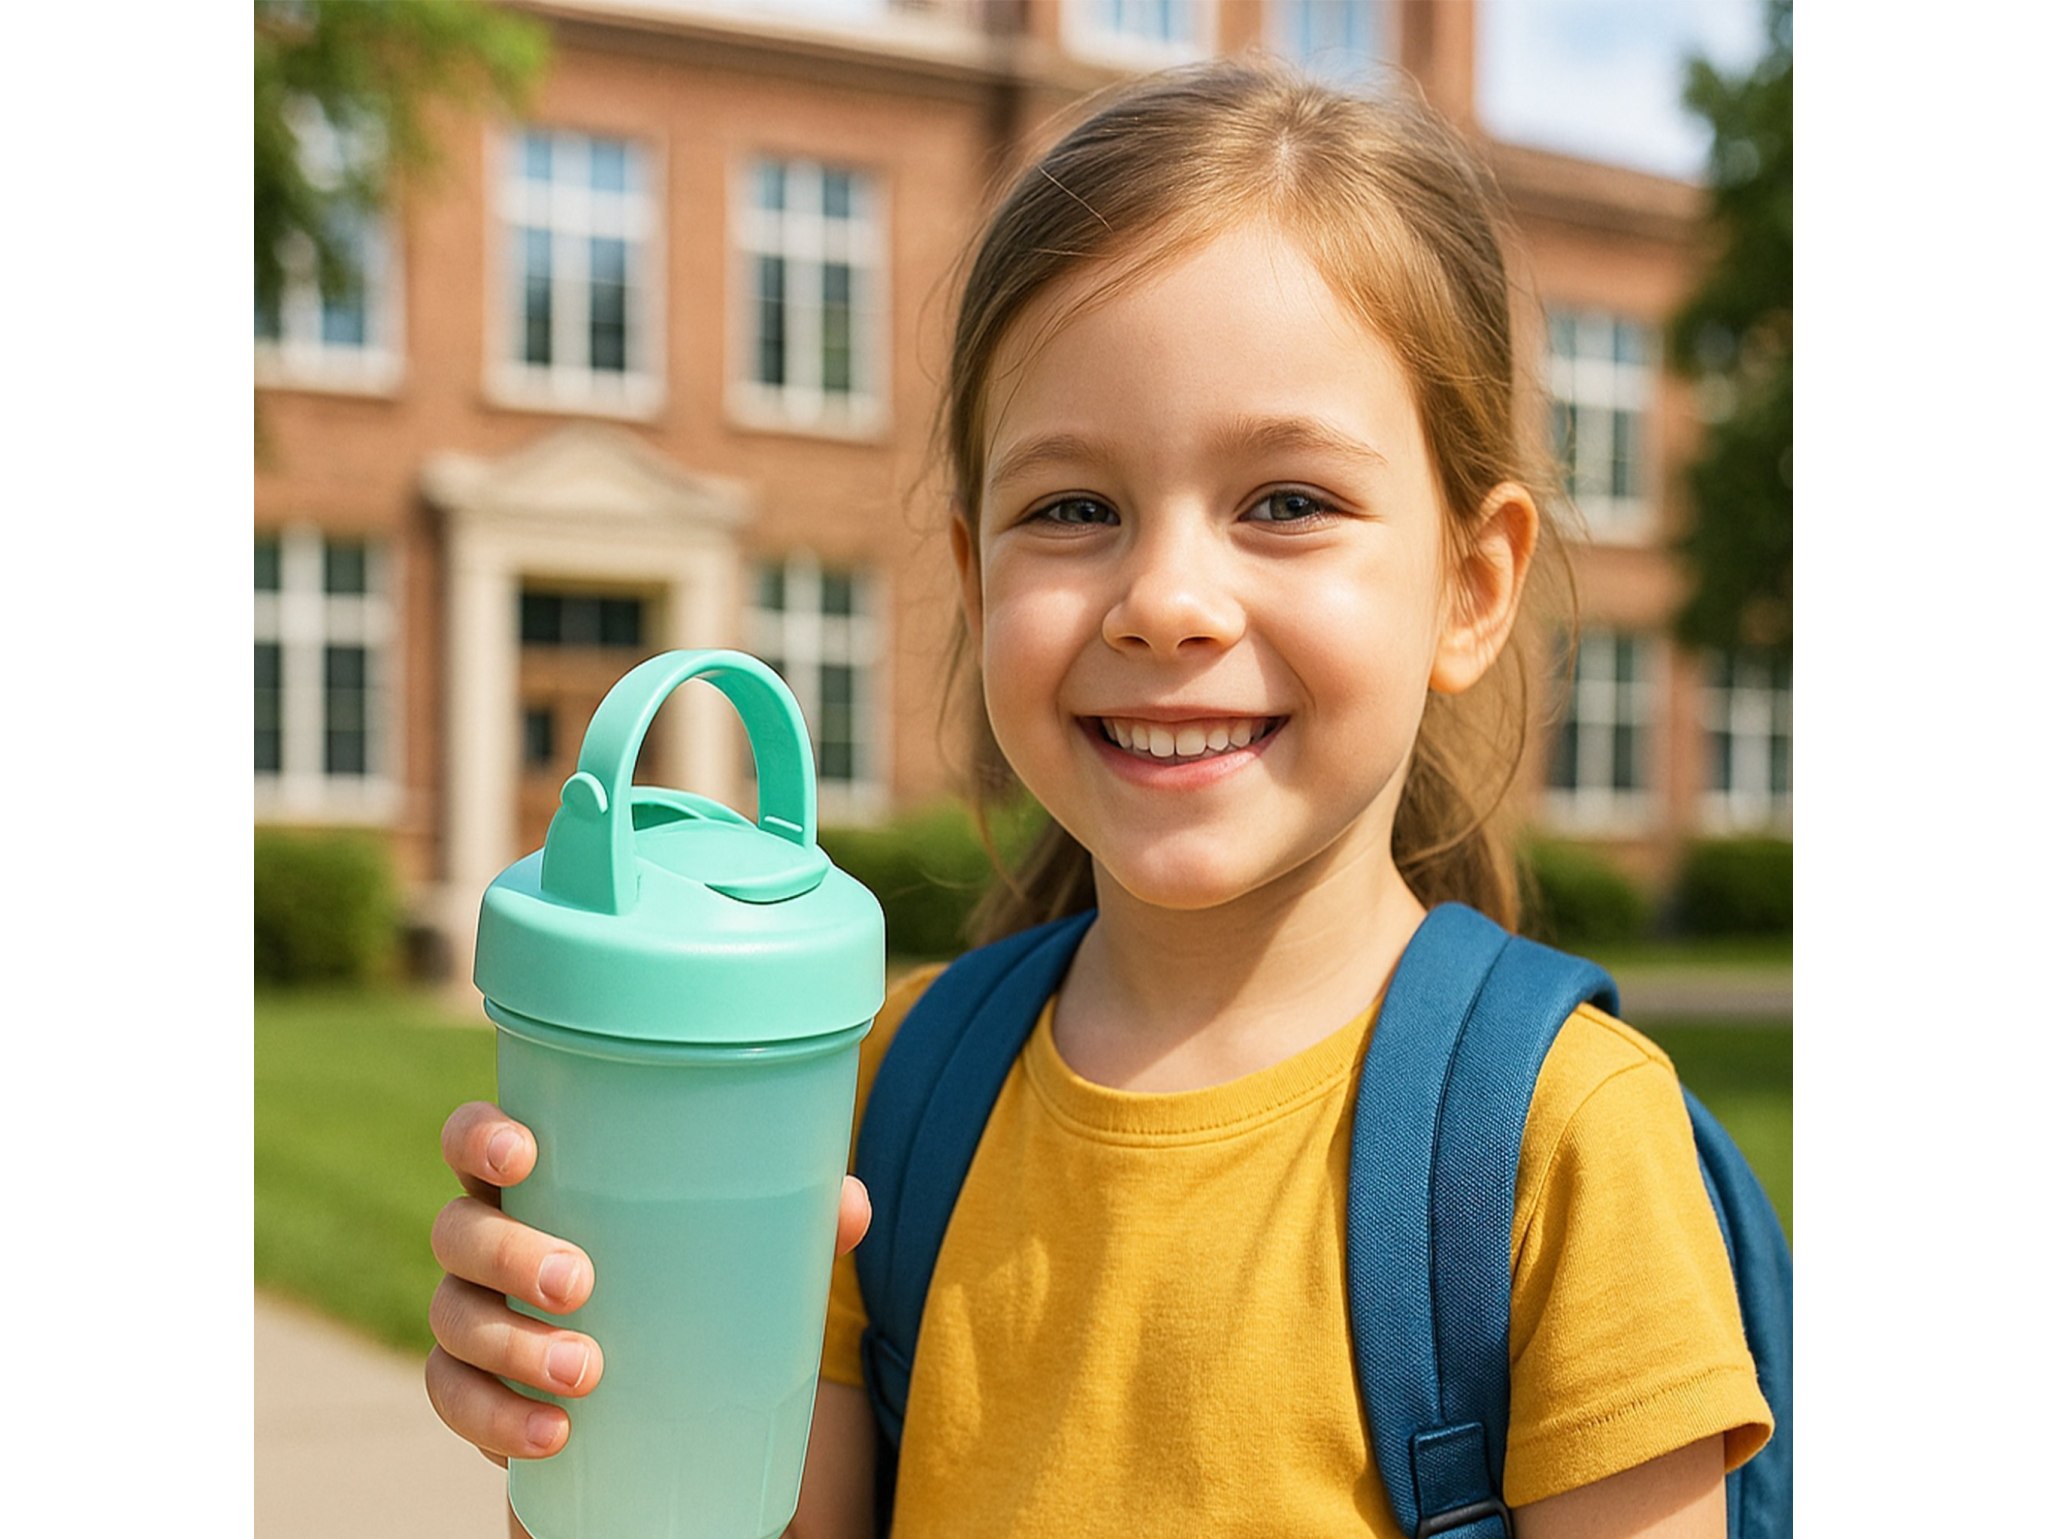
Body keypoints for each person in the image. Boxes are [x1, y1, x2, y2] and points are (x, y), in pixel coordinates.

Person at [426, 58, 1773, 1538]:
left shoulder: (1563, 1146)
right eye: (1074, 509)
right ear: (974, 571)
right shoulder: (892, 1087)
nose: (1166, 601)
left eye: (1287, 502)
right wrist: (597, 1428)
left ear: (1471, 586)